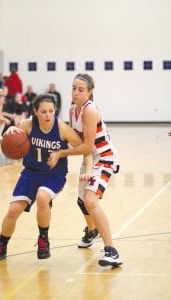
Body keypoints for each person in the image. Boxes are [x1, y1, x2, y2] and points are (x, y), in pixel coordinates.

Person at [0, 93, 84, 262]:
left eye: (51, 111)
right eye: (44, 111)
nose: (48, 115)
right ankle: (1, 247)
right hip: (30, 173)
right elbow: (12, 136)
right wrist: (10, 130)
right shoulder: (27, 124)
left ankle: (43, 240)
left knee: (42, 197)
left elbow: (83, 147)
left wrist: (62, 153)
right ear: (35, 112)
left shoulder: (61, 128)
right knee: (13, 211)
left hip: (54, 174)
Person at [48, 73, 122, 267]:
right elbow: (76, 142)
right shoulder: (73, 110)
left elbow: (87, 147)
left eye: (81, 89)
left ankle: (112, 251)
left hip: (104, 157)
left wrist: (60, 154)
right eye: (73, 88)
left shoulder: (90, 111)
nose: (76, 92)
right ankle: (92, 230)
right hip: (91, 158)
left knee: (90, 201)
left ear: (89, 93)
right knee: (81, 201)